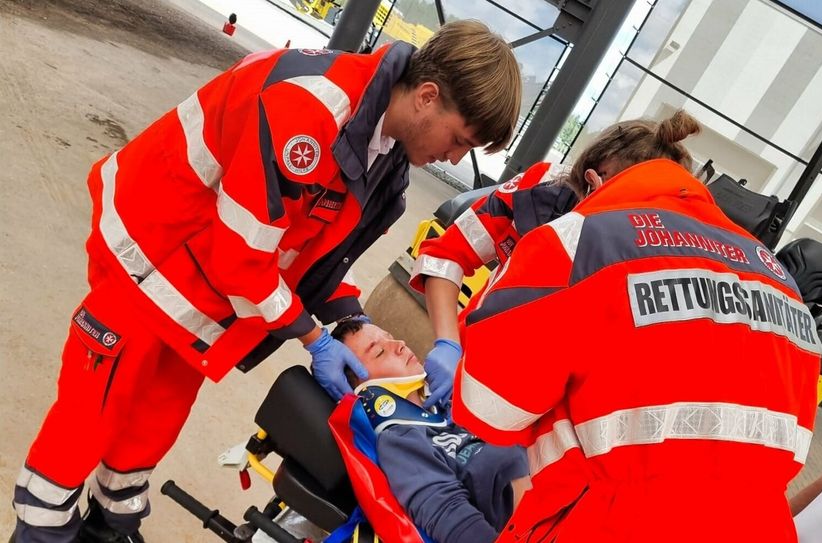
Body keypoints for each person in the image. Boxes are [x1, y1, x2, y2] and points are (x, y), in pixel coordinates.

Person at [11, 20, 522, 543]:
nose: (457, 158)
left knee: (151, 426)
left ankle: (110, 525)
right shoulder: (311, 109)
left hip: (203, 288)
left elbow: (314, 256)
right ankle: (40, 532)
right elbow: (241, 259)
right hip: (147, 255)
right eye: (459, 139)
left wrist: (349, 320)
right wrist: (313, 337)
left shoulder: (386, 153)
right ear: (427, 97)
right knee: (86, 423)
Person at [452, 110, 822, 542]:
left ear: (595, 179)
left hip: (611, 523)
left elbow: (485, 408)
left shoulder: (580, 242)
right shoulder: (782, 284)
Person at [332, 319, 531, 543]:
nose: (399, 344)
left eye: (390, 336)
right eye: (379, 351)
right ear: (359, 390)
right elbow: (451, 519)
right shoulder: (399, 442)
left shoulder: (452, 401)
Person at [409, 161, 579, 409]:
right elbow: (446, 254)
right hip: (463, 364)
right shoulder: (545, 184)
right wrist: (449, 344)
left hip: (529, 409)